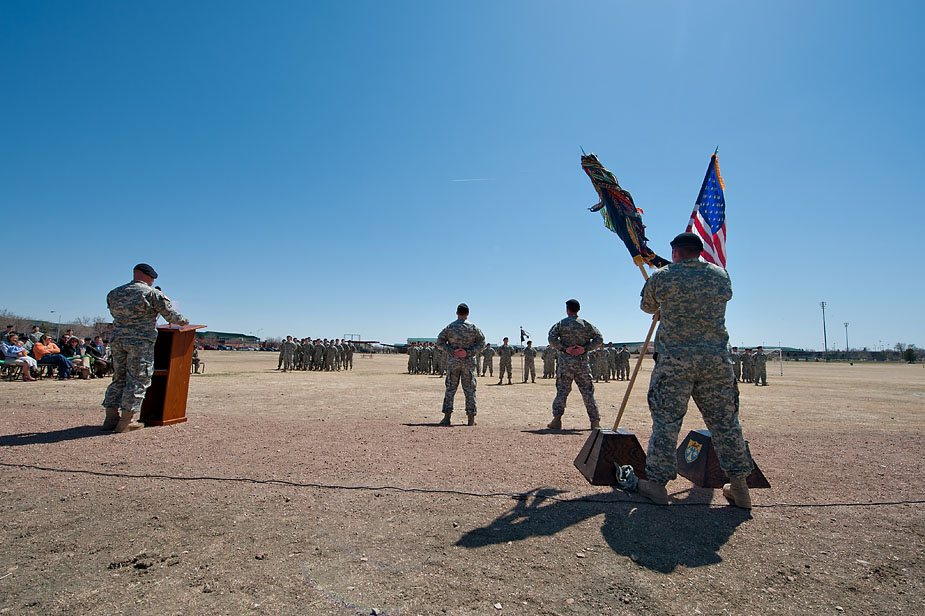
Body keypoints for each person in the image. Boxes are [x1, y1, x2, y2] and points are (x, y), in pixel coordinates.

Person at [635, 232, 754, 509]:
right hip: (715, 361)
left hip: (675, 362)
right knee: (726, 422)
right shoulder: (720, 276)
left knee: (666, 422)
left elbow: (646, 306)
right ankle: (740, 487)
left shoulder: (664, 276)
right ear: (699, 252)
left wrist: (667, 306)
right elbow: (724, 298)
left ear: (675, 252)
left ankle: (657, 485)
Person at [101, 263, 189, 433]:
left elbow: (114, 314)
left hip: (118, 341)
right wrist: (184, 321)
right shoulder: (151, 293)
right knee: (137, 379)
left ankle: (110, 418)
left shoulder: (115, 293)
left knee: (118, 378)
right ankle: (127, 420)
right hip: (140, 342)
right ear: (150, 277)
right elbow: (171, 315)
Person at [546, 299, 602, 430]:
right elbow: (599, 338)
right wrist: (584, 348)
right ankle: (595, 422)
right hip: (582, 363)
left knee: (562, 391)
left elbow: (551, 338)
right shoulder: (586, 324)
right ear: (578, 309)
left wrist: (564, 349)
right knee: (587, 392)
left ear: (567, 309)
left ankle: (557, 420)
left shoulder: (561, 324)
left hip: (566, 363)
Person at [436, 303, 485, 426]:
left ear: (457, 313)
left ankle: (447, 418)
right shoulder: (473, 328)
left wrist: (452, 351)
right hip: (468, 363)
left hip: (453, 362)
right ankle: (471, 418)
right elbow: (482, 344)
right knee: (470, 390)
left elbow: (439, 342)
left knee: (450, 389)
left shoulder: (450, 327)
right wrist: (467, 352)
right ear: (468, 313)